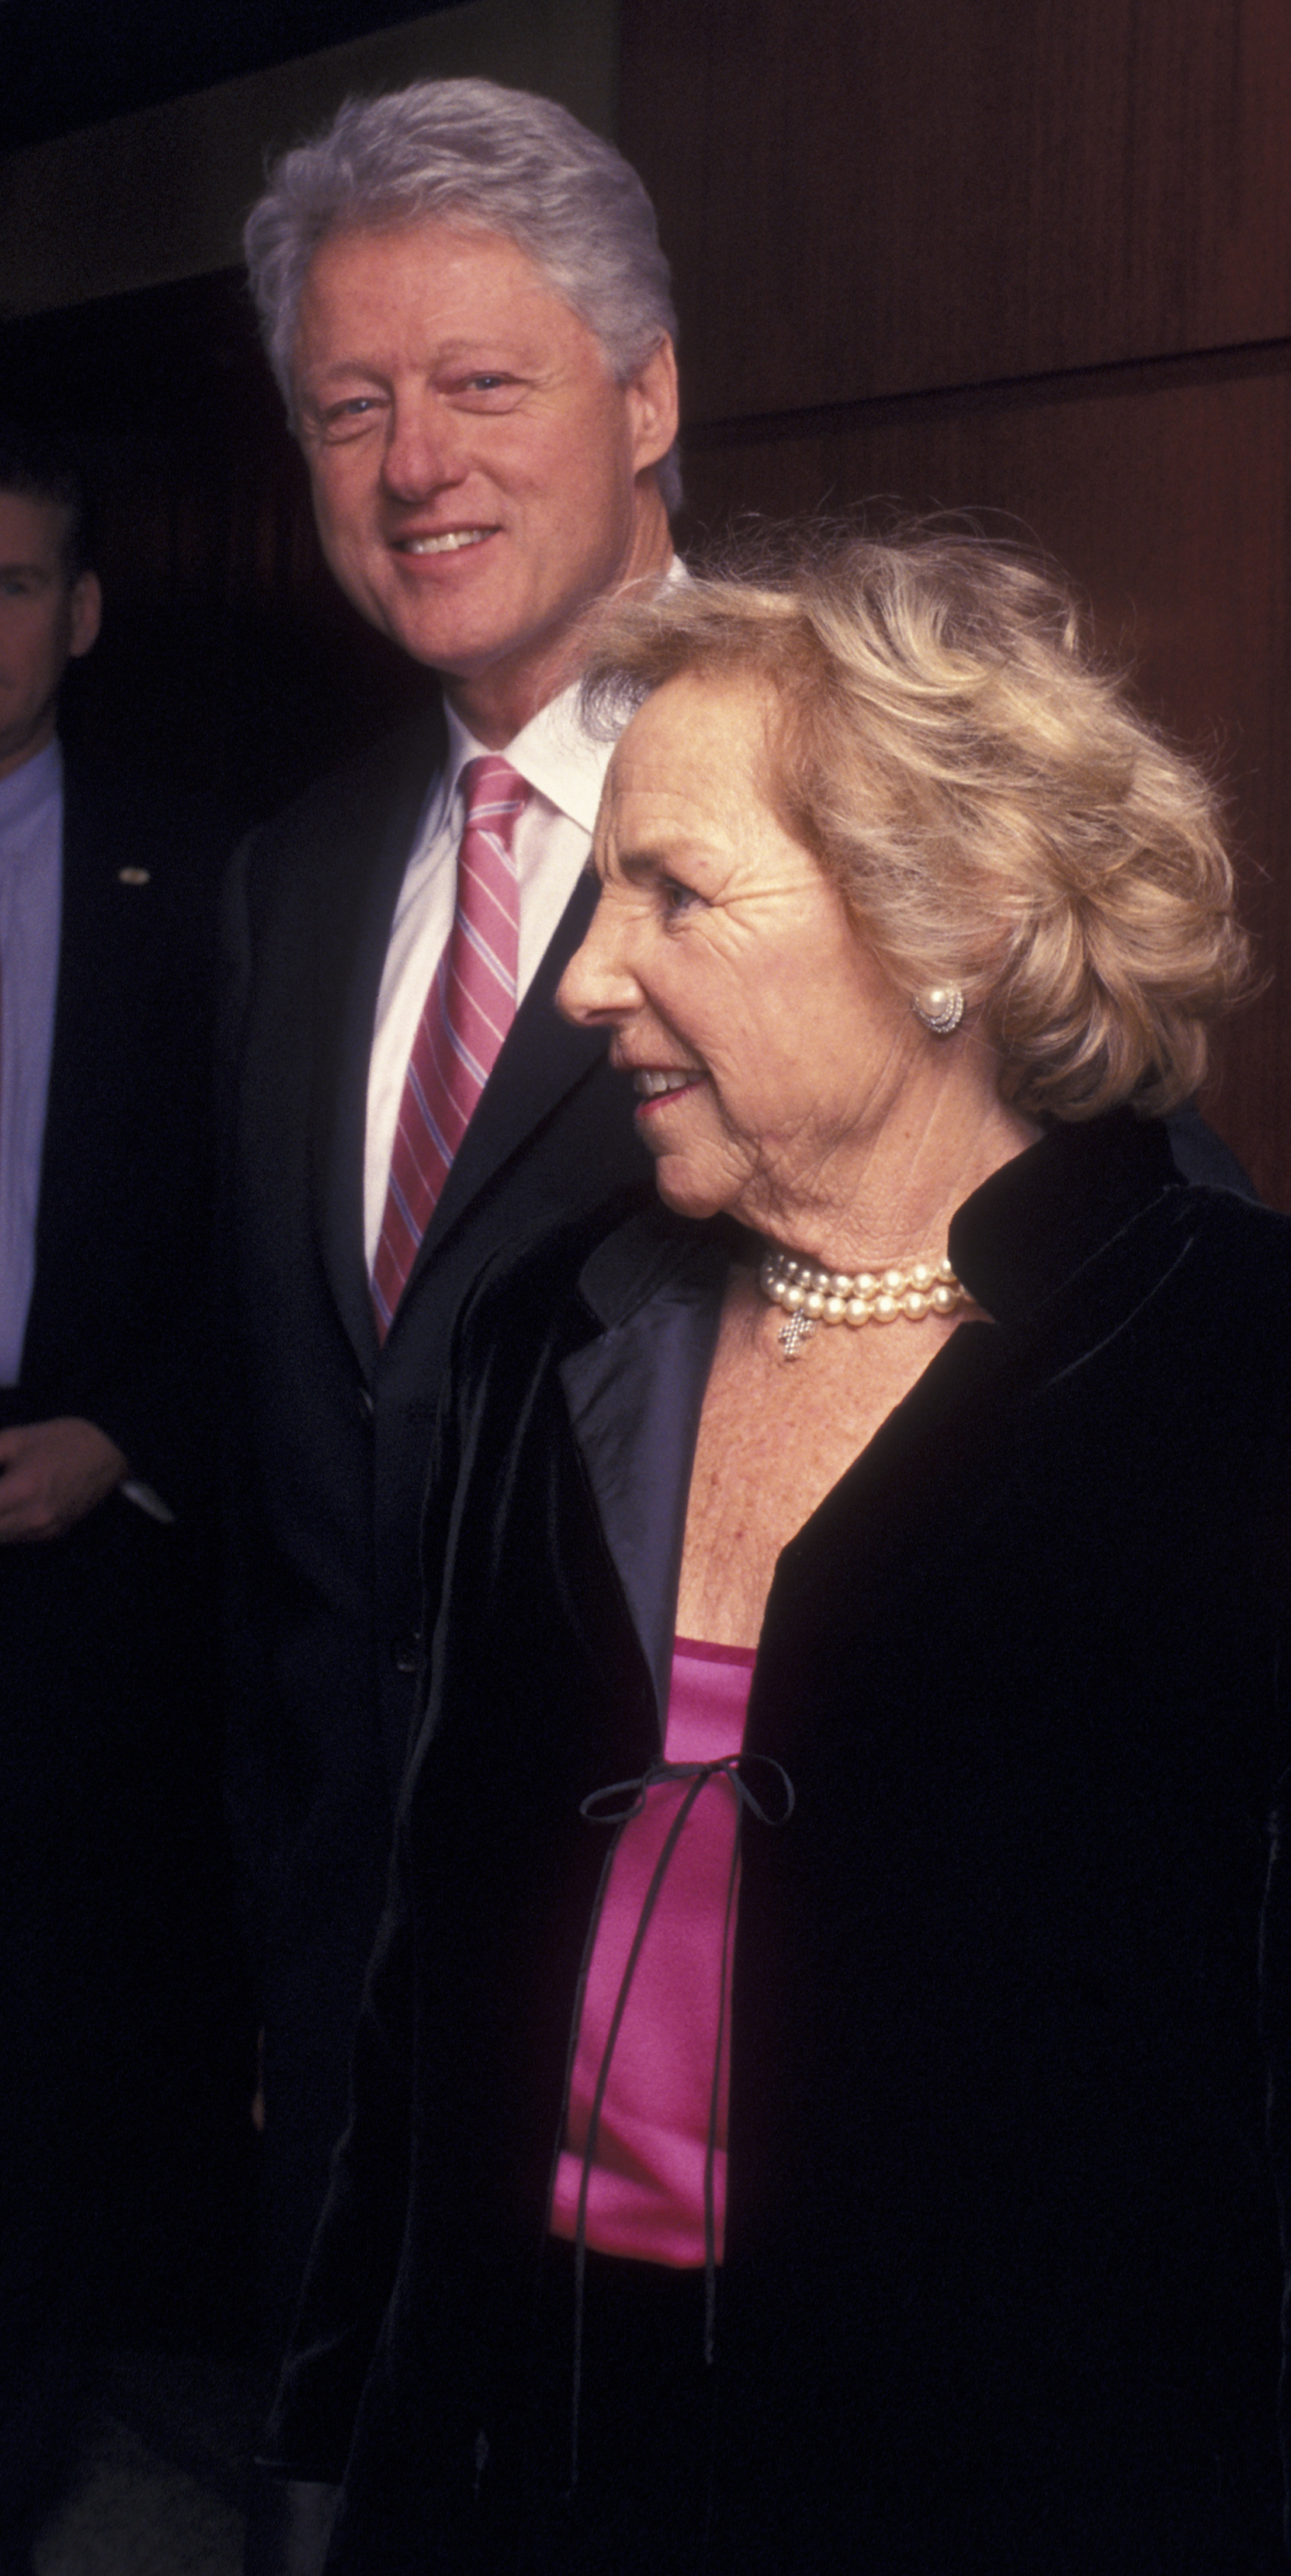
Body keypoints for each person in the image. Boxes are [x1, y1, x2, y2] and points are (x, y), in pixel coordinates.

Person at [222, 77, 1291, 2360]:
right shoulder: (288, 869)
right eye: (349, 406)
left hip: (876, 2212)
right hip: (406, 2071)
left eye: (477, 384)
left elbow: (1090, 1224)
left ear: (645, 396)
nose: (411, 461)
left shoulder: (850, 757)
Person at [0, 422, 228, 2568]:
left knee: (45, 2047)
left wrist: (129, 1437)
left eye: (4, 588)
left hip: (68, 1565)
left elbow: (267, 1243)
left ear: (75, 616)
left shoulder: (204, 875)